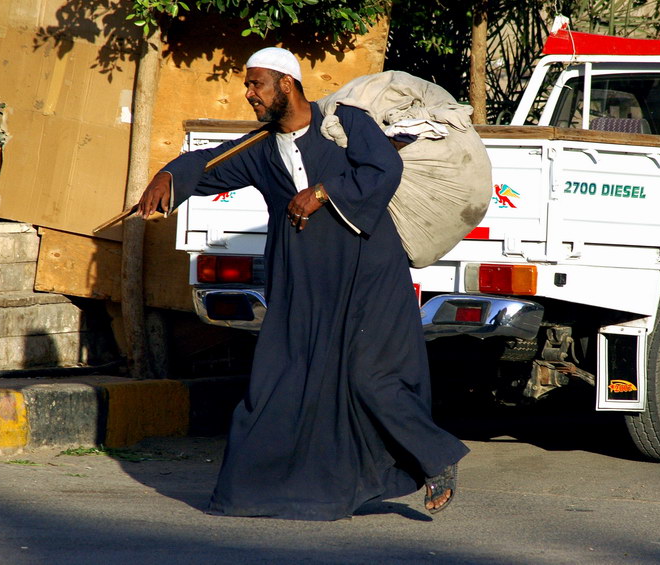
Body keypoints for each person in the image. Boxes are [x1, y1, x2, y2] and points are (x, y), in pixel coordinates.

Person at [137, 47, 469, 521]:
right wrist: (167, 177)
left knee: (370, 376)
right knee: (280, 379)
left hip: (367, 273)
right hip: (300, 285)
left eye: (257, 84)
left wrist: (321, 191)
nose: (248, 93)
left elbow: (384, 169)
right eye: (248, 85)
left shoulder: (344, 124)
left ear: (286, 85)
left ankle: (438, 459)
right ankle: (253, 492)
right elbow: (208, 165)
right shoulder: (258, 149)